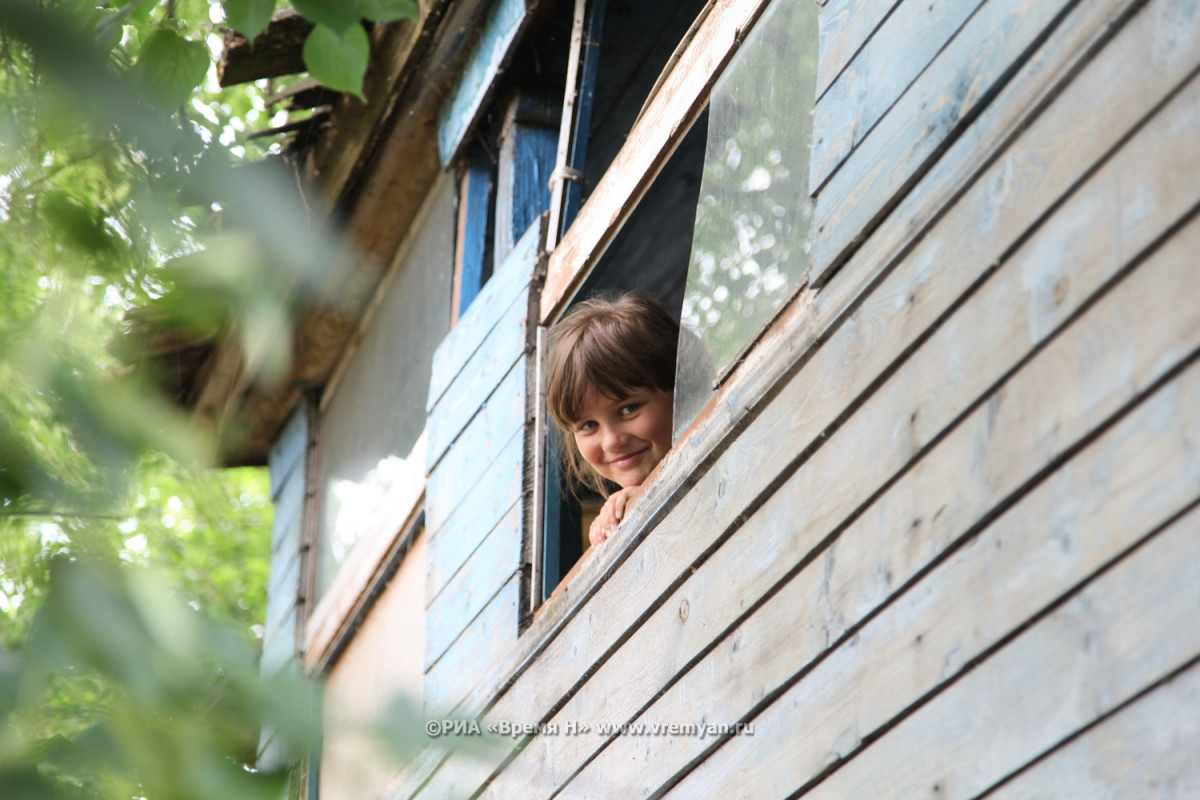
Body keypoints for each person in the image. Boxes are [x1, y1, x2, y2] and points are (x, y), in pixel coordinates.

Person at [546, 292, 679, 547]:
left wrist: (648, 494)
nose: (611, 441)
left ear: (679, 388)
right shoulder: (611, 516)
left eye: (628, 409)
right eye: (588, 425)